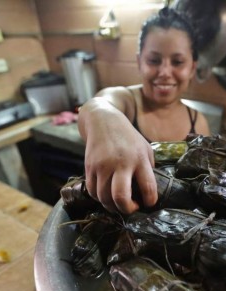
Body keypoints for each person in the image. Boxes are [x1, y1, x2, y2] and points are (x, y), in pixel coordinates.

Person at [77, 7, 210, 215]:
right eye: (154, 60)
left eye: (177, 62)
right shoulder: (127, 101)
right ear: (139, 62)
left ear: (192, 68)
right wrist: (101, 115)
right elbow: (97, 106)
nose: (165, 72)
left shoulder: (198, 121)